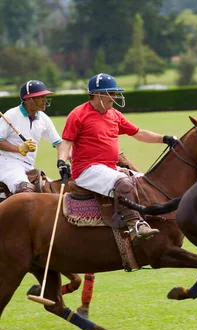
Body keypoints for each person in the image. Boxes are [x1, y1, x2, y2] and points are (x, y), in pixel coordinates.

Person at [57, 73, 178, 243]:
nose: (114, 97)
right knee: (123, 181)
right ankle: (135, 225)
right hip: (86, 170)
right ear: (98, 94)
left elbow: (139, 133)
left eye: (115, 93)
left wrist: (165, 139)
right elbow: (66, 142)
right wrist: (61, 162)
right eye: (110, 93)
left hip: (109, 168)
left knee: (145, 181)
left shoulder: (114, 114)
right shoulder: (78, 115)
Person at [0, 80, 68, 194]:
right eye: (40, 97)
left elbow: (59, 144)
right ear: (28, 99)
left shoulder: (43, 118)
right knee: (25, 189)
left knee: (52, 192)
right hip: (8, 163)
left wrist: (65, 160)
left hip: (29, 166)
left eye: (45, 97)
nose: (45, 100)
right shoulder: (11, 115)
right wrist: (19, 149)